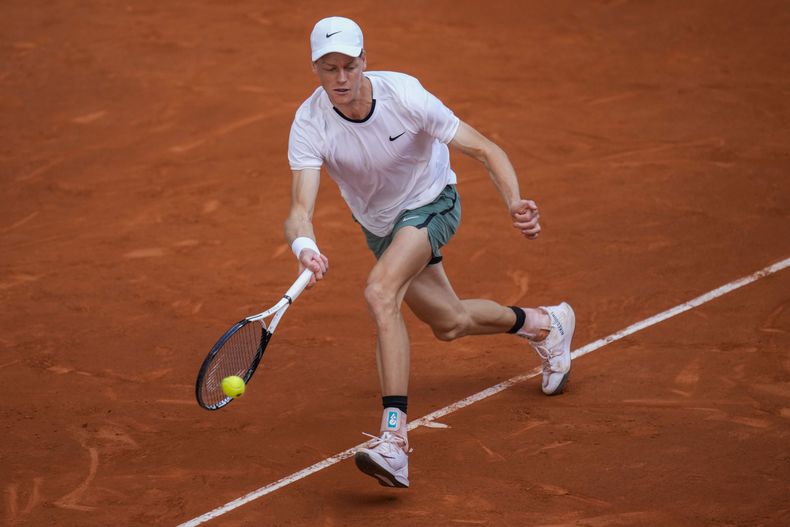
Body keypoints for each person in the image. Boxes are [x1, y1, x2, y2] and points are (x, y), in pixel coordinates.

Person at [284, 16, 575, 489]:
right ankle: (546, 323)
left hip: (432, 202)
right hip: (380, 226)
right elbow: (300, 208)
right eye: (328, 68)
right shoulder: (310, 122)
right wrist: (305, 245)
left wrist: (514, 203)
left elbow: (483, 148)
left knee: (381, 292)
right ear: (315, 68)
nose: (340, 79)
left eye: (349, 66)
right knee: (450, 322)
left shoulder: (404, 96)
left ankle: (393, 441)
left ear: (364, 62)